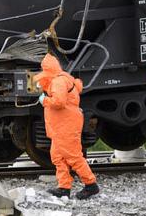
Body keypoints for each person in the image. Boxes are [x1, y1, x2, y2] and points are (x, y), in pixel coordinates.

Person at [36, 52, 99, 199]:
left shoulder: (58, 82)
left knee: (73, 156)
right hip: (61, 126)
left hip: (66, 126)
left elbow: (59, 102)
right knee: (58, 156)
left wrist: (44, 100)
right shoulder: (61, 79)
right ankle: (64, 187)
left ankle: (91, 185)